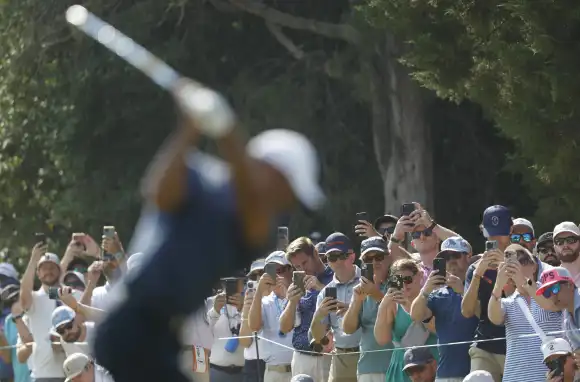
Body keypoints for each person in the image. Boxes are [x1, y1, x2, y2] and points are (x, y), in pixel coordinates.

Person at [93, 79, 324, 382]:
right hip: (130, 323)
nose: (289, 203)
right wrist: (189, 126)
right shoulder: (202, 180)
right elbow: (158, 191)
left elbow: (249, 203)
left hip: (160, 336)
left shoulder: (258, 226)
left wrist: (228, 133)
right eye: (289, 190)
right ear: (271, 173)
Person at [487, 244, 562, 382]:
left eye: (522, 260)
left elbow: (551, 305)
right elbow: (494, 317)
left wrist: (523, 281)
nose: (516, 266)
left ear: (534, 266)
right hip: (515, 377)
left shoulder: (549, 290)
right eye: (510, 262)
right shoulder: (507, 302)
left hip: (549, 377)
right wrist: (498, 286)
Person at [410, 236, 478, 381]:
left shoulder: (479, 286)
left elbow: (487, 315)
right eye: (446, 257)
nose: (451, 260)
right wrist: (425, 290)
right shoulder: (437, 293)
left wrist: (463, 291)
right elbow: (416, 316)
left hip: (476, 370)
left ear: (468, 257)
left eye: (456, 255)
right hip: (446, 373)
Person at [461, 205, 511, 382]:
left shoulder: (521, 261)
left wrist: (504, 267)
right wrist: (477, 275)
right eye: (491, 233)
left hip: (514, 344)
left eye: (501, 232)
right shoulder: (475, 268)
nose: (496, 238)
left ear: (511, 230)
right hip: (484, 345)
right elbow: (466, 311)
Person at [374, 259, 438, 382]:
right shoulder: (392, 305)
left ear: (419, 276)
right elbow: (382, 340)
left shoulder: (433, 297)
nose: (403, 286)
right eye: (397, 281)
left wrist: (409, 306)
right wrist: (383, 305)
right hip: (402, 366)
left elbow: (438, 330)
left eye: (407, 280)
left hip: (430, 363)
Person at [280, 237, 333, 381]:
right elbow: (284, 328)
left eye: (305, 262)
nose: (302, 269)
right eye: (297, 267)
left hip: (328, 358)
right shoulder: (297, 284)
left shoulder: (334, 276)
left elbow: (342, 312)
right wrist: (292, 303)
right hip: (301, 357)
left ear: (315, 254)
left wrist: (321, 288)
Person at [310, 233, 361, 382]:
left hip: (368, 354)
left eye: (341, 255)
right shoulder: (326, 292)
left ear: (352, 256)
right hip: (340, 358)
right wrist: (318, 315)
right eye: (332, 258)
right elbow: (318, 336)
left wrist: (352, 308)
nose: (337, 261)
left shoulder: (367, 281)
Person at [342, 236, 393, 382]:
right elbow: (348, 328)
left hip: (396, 366)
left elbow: (402, 315)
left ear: (388, 257)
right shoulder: (360, 288)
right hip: (367, 368)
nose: (375, 263)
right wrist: (357, 301)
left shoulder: (399, 280)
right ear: (362, 263)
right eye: (368, 259)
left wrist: (375, 294)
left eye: (379, 257)